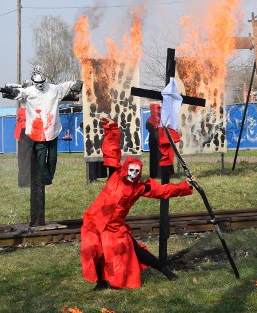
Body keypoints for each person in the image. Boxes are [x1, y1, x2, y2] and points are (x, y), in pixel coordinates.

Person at [80, 117, 194, 290]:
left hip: (116, 227)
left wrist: (185, 186)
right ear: (125, 169)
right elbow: (112, 151)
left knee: (135, 250)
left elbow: (163, 191)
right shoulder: (115, 176)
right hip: (96, 220)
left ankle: (165, 270)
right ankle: (101, 282)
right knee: (94, 248)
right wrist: (111, 128)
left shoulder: (139, 188)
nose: (133, 174)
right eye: (131, 170)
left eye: (137, 172)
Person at [4, 66, 82, 184]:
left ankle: (49, 177)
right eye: (37, 83)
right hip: (37, 132)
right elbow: (20, 93)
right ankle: (46, 179)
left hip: (52, 129)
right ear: (33, 83)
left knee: (53, 157)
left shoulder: (53, 89)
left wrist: (76, 83)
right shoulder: (29, 91)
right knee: (41, 157)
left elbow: (64, 86)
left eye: (41, 83)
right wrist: (11, 92)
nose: (40, 85)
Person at [145, 103, 162, 178]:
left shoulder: (149, 119)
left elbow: (147, 127)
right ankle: (160, 174)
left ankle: (153, 174)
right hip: (160, 139)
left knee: (153, 157)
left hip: (152, 139)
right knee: (160, 156)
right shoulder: (160, 118)